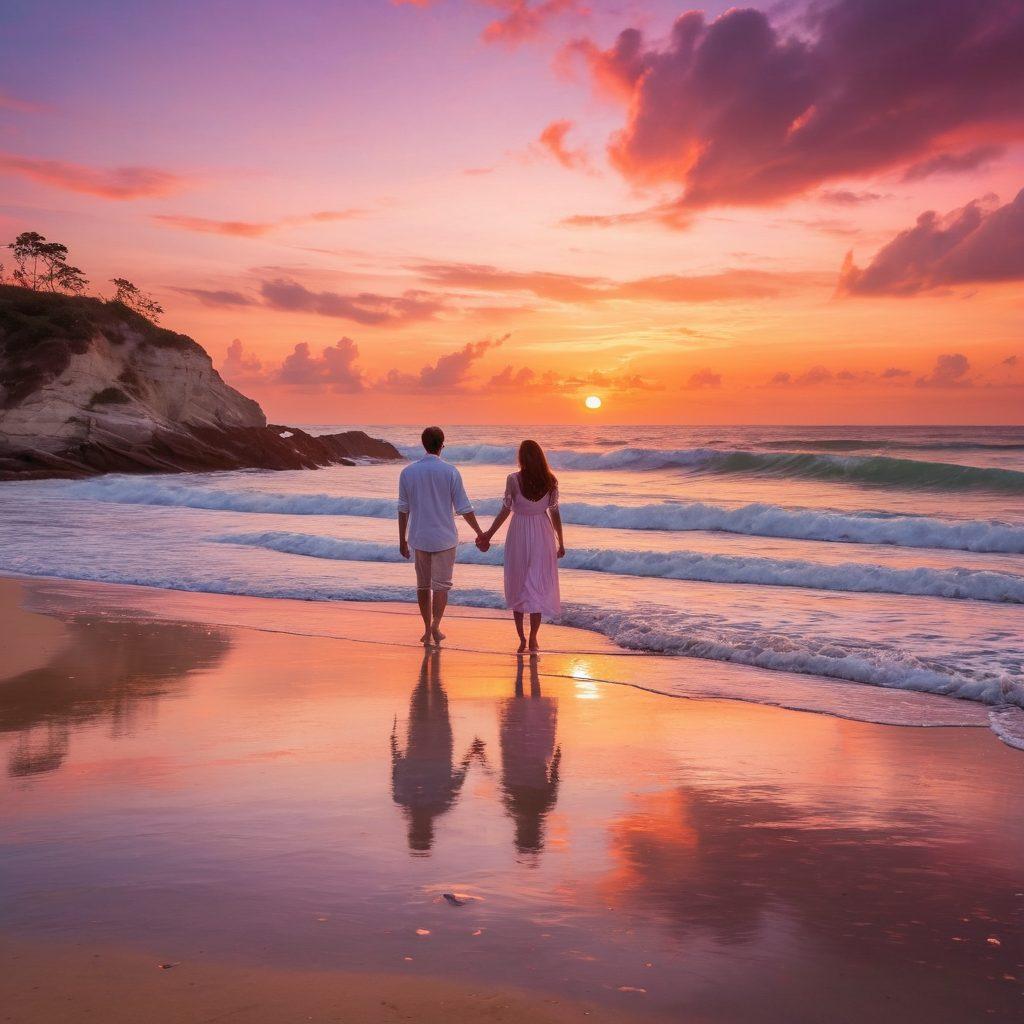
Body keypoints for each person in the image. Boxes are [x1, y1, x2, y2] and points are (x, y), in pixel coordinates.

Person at [398, 425, 486, 645]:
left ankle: (427, 629)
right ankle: (436, 626)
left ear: (423, 444)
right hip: (445, 538)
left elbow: (403, 508)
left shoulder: (408, 472)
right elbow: (464, 507)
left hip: (419, 536)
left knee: (423, 585)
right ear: (442, 445)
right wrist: (480, 532)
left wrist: (402, 539)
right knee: (441, 586)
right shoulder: (450, 471)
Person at [477, 439, 565, 652]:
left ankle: (522, 638)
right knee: (537, 585)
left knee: (518, 581)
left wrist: (488, 534)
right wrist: (561, 542)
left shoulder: (513, 479)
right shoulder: (550, 481)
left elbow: (506, 510)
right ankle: (534, 637)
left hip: (519, 531)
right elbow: (554, 513)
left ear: (521, 457)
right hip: (543, 533)